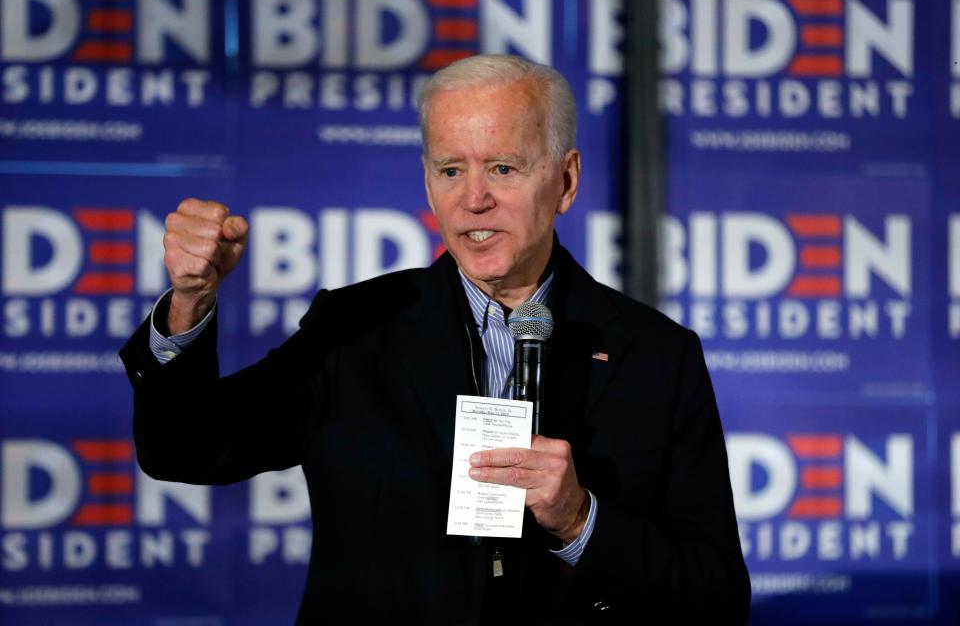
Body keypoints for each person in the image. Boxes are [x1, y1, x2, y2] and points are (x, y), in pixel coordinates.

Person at [120, 55, 750, 624]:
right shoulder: (354, 328)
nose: (474, 199)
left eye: (503, 167)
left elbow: (716, 599)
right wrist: (190, 304)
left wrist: (580, 521)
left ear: (565, 181)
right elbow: (185, 448)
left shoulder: (657, 356)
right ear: (427, 184)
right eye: (452, 169)